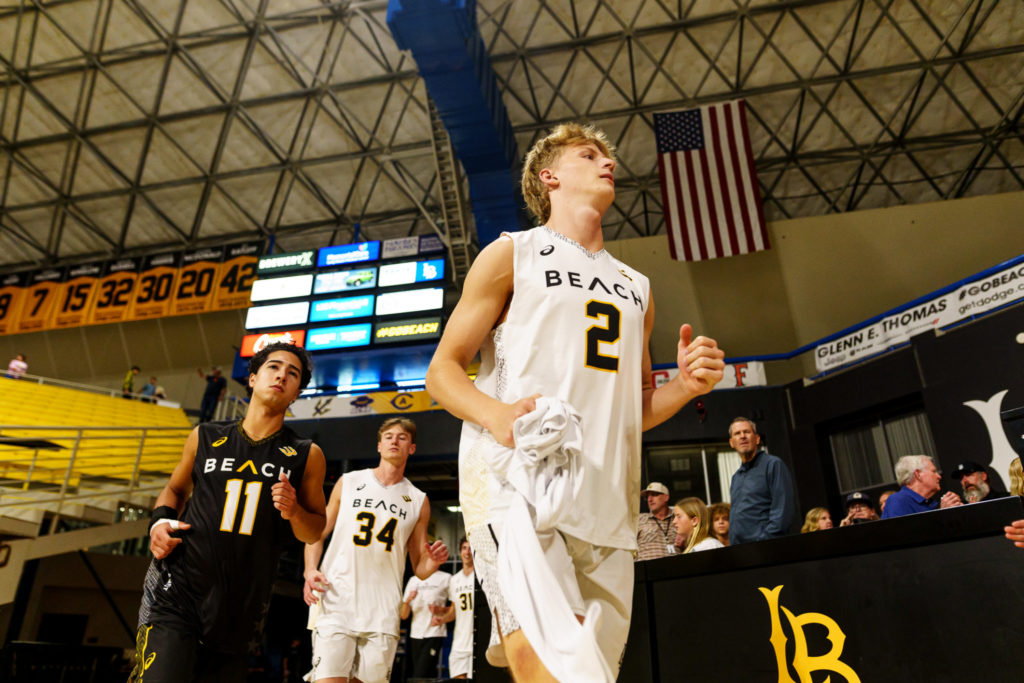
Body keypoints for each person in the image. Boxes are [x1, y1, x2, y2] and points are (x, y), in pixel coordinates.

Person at [425, 122, 725, 681]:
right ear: (549, 176)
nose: (607, 163)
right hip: (516, 481)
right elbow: (442, 372)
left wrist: (685, 386)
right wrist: (497, 415)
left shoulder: (637, 287)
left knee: (593, 674)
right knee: (547, 666)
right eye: (588, 155)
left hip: (608, 498)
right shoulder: (512, 253)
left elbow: (636, 407)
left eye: (606, 157)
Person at [130, 342, 327, 682]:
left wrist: (294, 510)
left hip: (242, 607)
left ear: (297, 393)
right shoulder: (205, 435)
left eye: (292, 373)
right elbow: (175, 489)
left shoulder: (306, 454)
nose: (281, 375)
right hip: (179, 591)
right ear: (252, 378)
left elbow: (314, 530)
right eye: (273, 367)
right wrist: (159, 522)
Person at [302, 418, 449, 683]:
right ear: (379, 446)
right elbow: (316, 533)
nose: (394, 441)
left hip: (382, 612)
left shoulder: (418, 500)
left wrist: (434, 562)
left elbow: (420, 568)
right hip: (337, 600)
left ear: (412, 448)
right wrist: (310, 570)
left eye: (402, 437)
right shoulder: (349, 481)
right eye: (389, 436)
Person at [727, 418, 796, 544]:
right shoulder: (736, 477)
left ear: (757, 439)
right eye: (737, 433)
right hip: (740, 549)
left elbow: (783, 510)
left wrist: (765, 541)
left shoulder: (773, 465)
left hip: (765, 547)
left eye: (747, 432)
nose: (742, 436)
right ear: (732, 442)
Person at [434, 538, 476, 680]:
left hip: (476, 643)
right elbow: (453, 611)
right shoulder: (454, 580)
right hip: (459, 643)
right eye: (464, 548)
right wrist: (441, 619)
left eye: (470, 548)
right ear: (460, 552)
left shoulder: (480, 578)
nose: (467, 552)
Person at [401, 565, 451, 679]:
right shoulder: (413, 580)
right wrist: (408, 600)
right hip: (415, 634)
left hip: (434, 632)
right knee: (427, 675)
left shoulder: (446, 578)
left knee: (420, 675)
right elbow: (403, 615)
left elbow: (456, 608)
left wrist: (441, 610)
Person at [880, 455, 962, 519]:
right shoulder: (898, 501)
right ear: (918, 474)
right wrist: (944, 514)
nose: (939, 476)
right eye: (933, 471)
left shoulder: (929, 504)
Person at [636, 482, 677, 560]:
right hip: (648, 566)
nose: (649, 499)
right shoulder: (640, 519)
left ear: (666, 497)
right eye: (647, 497)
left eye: (654, 495)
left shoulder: (678, 518)